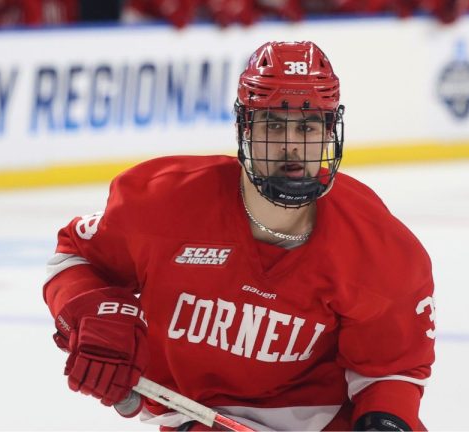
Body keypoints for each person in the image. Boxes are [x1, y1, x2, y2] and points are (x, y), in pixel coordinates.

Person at [43, 40, 436, 431]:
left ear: (330, 132)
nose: (291, 146)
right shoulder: (164, 203)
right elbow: (74, 255)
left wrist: (386, 419)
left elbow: (393, 367)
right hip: (198, 416)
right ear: (243, 128)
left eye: (307, 126)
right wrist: (94, 312)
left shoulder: (377, 246)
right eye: (274, 125)